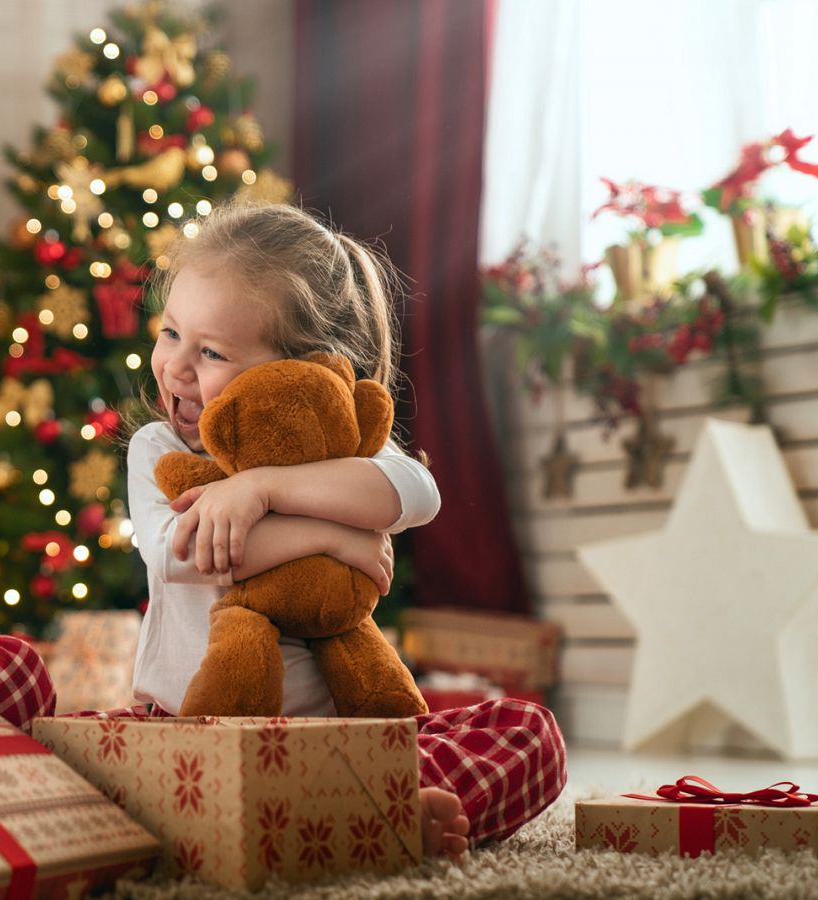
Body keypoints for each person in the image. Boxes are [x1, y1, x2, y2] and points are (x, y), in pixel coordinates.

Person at [126, 202, 566, 859]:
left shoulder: (348, 447)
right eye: (170, 333)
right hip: (196, 734)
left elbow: (418, 493)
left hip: (334, 742)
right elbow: (180, 553)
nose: (176, 366)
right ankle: (354, 822)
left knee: (528, 731)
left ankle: (346, 816)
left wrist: (261, 488)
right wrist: (333, 538)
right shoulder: (158, 448)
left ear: (307, 368)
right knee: (84, 749)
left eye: (212, 351)